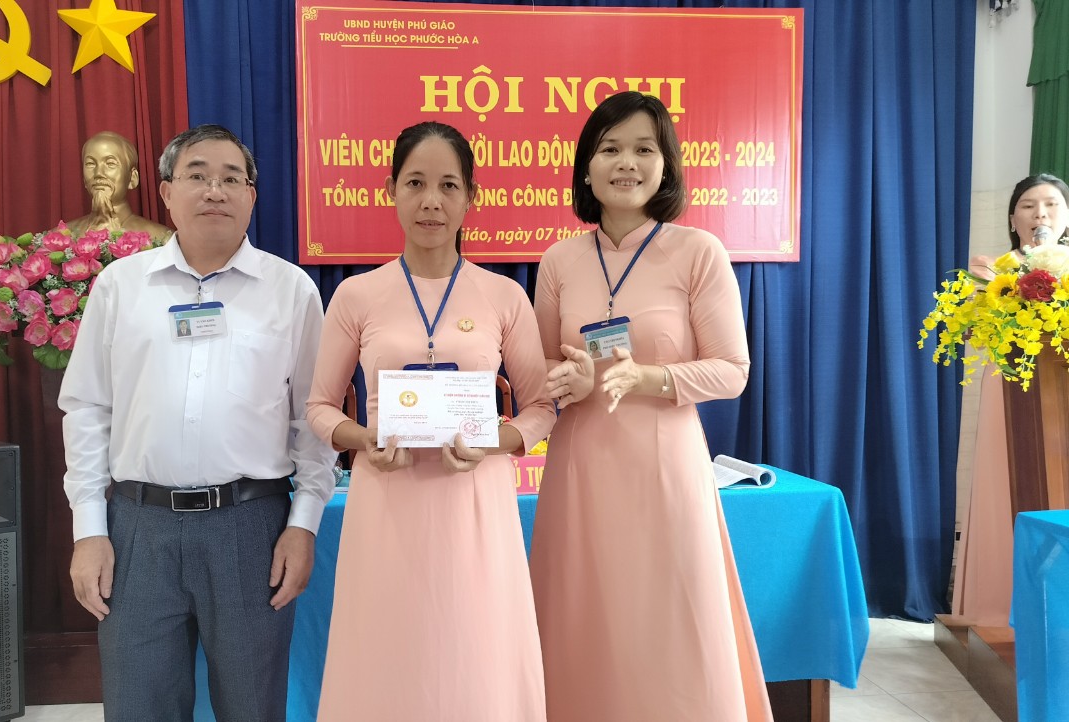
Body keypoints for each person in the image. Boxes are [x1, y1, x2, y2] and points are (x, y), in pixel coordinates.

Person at [59, 124, 337, 722]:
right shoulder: (119, 286)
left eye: (232, 178)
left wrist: (304, 525)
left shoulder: (290, 291)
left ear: (252, 195)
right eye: (197, 175)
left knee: (252, 706)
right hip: (137, 528)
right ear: (166, 191)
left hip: (250, 528)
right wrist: (88, 529)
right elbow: (86, 408)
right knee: (139, 706)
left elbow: (312, 418)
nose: (215, 190)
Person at [529, 91, 773, 722]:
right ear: (586, 167)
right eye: (610, 148)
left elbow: (732, 371)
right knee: (583, 618)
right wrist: (568, 378)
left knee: (668, 620)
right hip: (581, 467)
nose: (626, 163)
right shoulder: (558, 260)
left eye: (644, 148)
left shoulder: (698, 251)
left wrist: (644, 378)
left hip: (666, 468)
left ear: (665, 166)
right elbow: (542, 371)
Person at [305, 121, 556, 721]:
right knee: (389, 655)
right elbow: (318, 408)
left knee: (476, 653)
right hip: (387, 503)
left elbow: (541, 408)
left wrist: (492, 442)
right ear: (390, 190)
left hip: (475, 505)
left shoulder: (503, 296)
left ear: (471, 197)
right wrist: (361, 438)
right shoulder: (357, 295)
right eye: (415, 183)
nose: (431, 202)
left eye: (448, 185)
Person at [952, 173, 1069, 627]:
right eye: (1028, 205)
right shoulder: (990, 273)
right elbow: (969, 330)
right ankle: (998, 610)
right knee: (1004, 486)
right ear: (1012, 218)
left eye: (1052, 204)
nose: (1041, 214)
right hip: (1010, 392)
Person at [65, 130, 173, 240]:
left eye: (110, 163)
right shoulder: (60, 237)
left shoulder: (161, 238)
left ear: (132, 178)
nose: (98, 173)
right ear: (84, 179)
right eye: (90, 164)